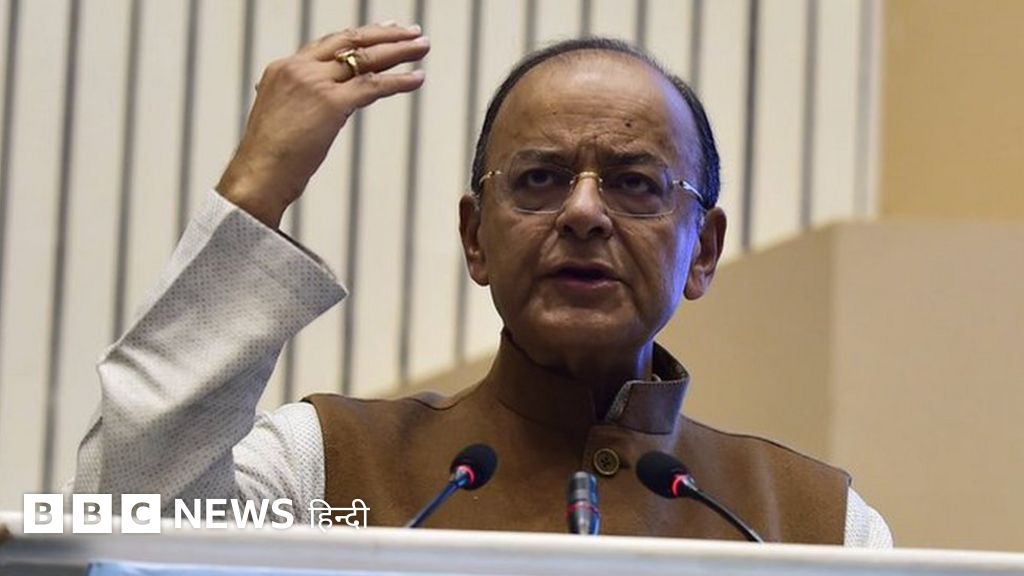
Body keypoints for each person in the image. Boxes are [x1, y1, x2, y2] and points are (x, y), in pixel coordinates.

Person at [69, 22, 892, 546]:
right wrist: (256, 189)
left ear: (703, 250)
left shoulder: (815, 525)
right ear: (476, 239)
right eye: (539, 179)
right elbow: (122, 523)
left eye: (635, 183)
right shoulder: (326, 471)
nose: (583, 213)